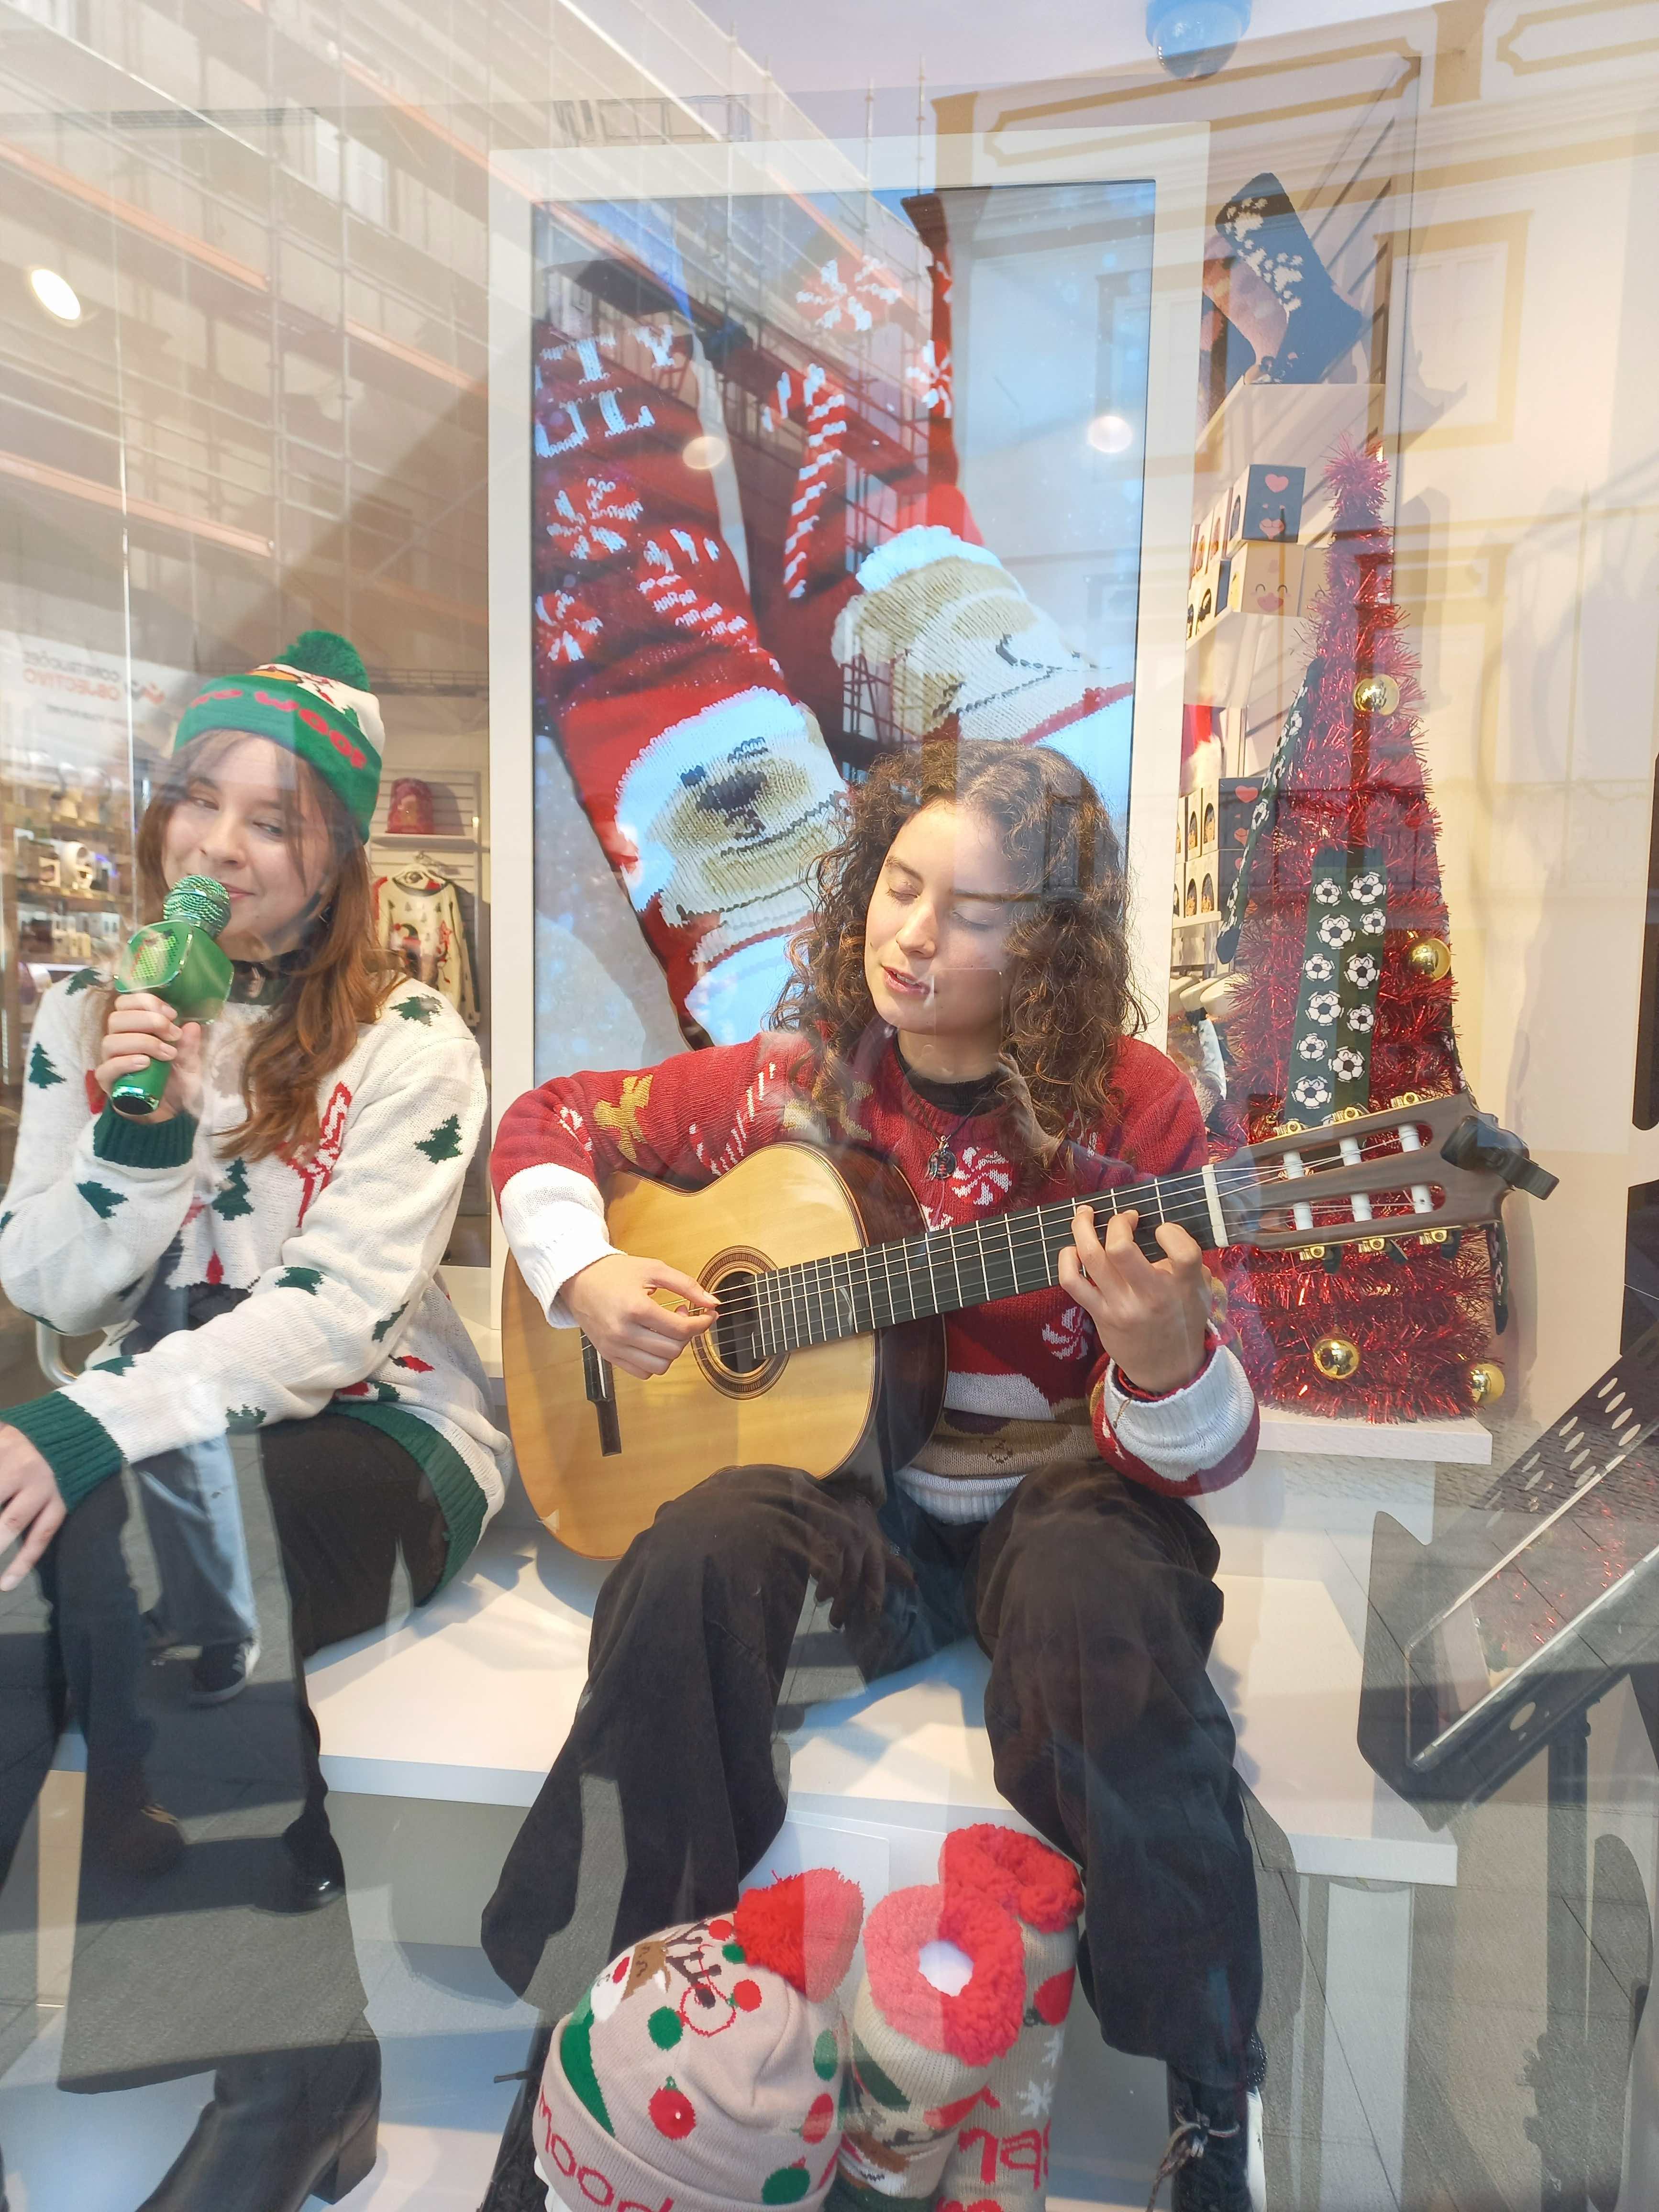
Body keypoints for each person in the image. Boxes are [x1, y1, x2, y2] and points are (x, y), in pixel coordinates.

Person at [482, 737, 1262, 2212]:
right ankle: (600, 2029)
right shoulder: (792, 1084)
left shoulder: (1136, 1113)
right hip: (853, 1507)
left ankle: (1203, 2091)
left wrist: (1162, 1358)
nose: (912, 934)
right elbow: (552, 1121)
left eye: (972, 913)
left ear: (1052, 940)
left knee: (1105, 1595)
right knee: (690, 1561)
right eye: (899, 886)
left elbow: (1211, 1449)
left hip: (1057, 1495)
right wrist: (581, 1271)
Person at [0, 631, 511, 2212]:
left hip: (380, 1434)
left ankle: (284, 2081)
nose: (220, 847)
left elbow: (332, 1322)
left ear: (337, 859)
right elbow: (45, 1280)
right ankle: (275, 2064)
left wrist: (86, 1430)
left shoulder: (411, 1042)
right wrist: (141, 1132)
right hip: (156, 1421)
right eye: (199, 801)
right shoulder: (86, 1013)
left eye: (273, 820)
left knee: (160, 1552)